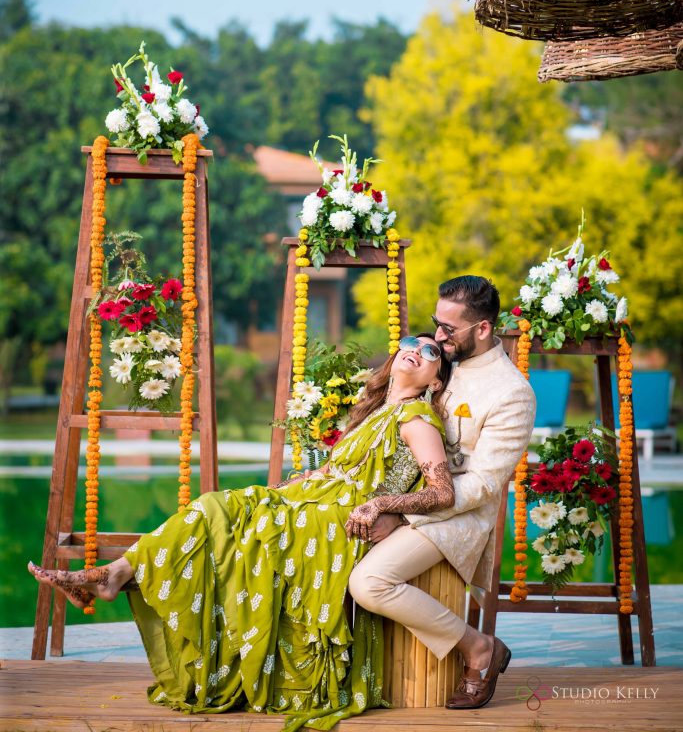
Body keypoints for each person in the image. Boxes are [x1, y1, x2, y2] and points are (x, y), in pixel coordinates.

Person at [29, 334, 454, 731]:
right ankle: (117, 574)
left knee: (217, 512)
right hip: (312, 501)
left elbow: (442, 491)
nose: (416, 349)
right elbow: (341, 469)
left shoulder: (416, 418)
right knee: (214, 510)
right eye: (410, 342)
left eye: (431, 351)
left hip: (338, 522)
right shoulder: (375, 410)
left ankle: (116, 576)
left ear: (437, 378)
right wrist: (306, 478)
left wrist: (382, 504)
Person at [349, 275, 536, 710]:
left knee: (370, 582)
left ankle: (478, 648)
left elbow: (484, 484)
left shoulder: (512, 394)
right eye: (437, 323)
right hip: (401, 497)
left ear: (484, 328)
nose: (436, 336)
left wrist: (404, 513)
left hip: (455, 518)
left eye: (449, 330)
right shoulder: (442, 361)